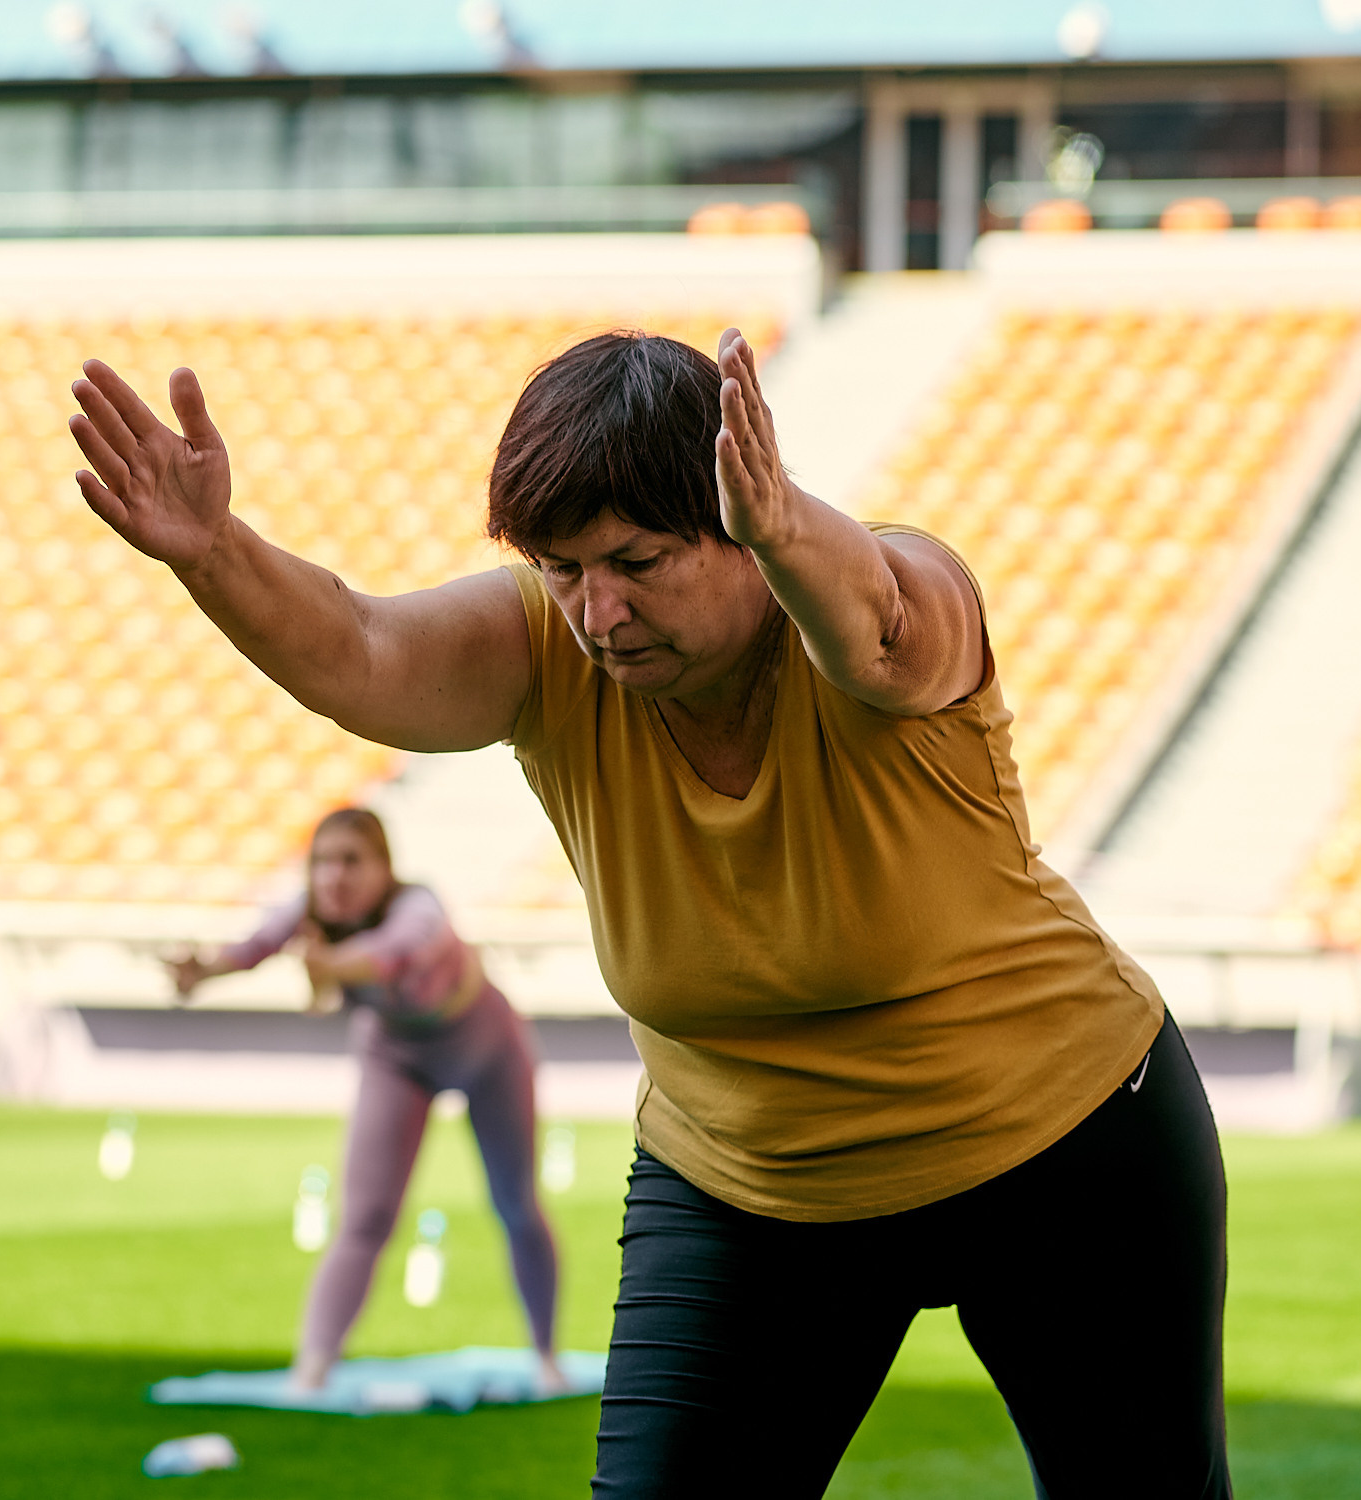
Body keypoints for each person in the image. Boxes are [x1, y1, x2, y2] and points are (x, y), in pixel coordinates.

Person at [68, 326, 1230, 1498]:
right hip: (747, 1179)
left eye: (635, 559)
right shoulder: (543, 647)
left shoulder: (891, 588)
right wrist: (212, 551)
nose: (597, 612)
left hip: (1064, 1145)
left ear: (740, 523)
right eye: (563, 568)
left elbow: (878, 634)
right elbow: (361, 648)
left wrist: (786, 526)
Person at [169, 806, 562, 1393]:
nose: (334, 876)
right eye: (322, 862)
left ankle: (545, 1356)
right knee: (365, 1217)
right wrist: (202, 972)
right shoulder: (308, 911)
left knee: (515, 1206)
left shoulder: (419, 910)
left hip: (488, 1051)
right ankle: (313, 1367)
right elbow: (255, 946)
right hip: (395, 1056)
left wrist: (329, 967)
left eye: (352, 861)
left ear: (384, 868)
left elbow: (388, 955)